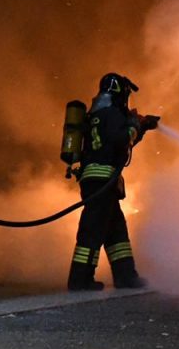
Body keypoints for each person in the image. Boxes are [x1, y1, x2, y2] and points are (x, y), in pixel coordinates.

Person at [67, 72, 159, 291]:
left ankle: (125, 276)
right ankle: (80, 279)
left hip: (98, 180)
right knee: (92, 229)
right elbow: (121, 140)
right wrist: (135, 124)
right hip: (102, 179)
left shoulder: (95, 116)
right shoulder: (113, 114)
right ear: (120, 92)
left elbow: (117, 144)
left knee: (115, 230)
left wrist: (141, 127)